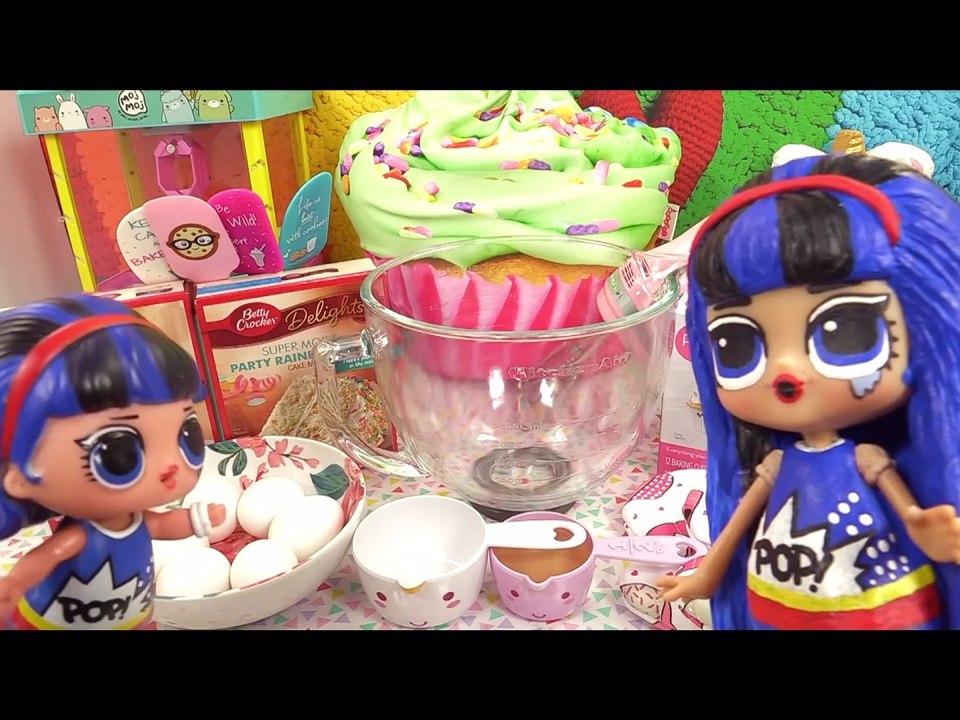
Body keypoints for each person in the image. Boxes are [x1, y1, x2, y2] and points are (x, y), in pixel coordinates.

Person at [657, 153, 960, 630]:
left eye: (843, 330)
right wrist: (708, 575)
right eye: (736, 343)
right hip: (780, 599)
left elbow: (909, 512)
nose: (786, 369)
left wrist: (924, 531)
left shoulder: (868, 458)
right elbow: (737, 527)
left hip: (876, 602)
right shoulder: (776, 463)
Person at [0, 295, 225, 629]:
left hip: (130, 616)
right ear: (18, 475)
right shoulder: (80, 536)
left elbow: (161, 526)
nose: (169, 464)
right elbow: (48, 557)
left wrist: (196, 519)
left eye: (187, 433)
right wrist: (14, 584)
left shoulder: (136, 519)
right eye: (117, 452)